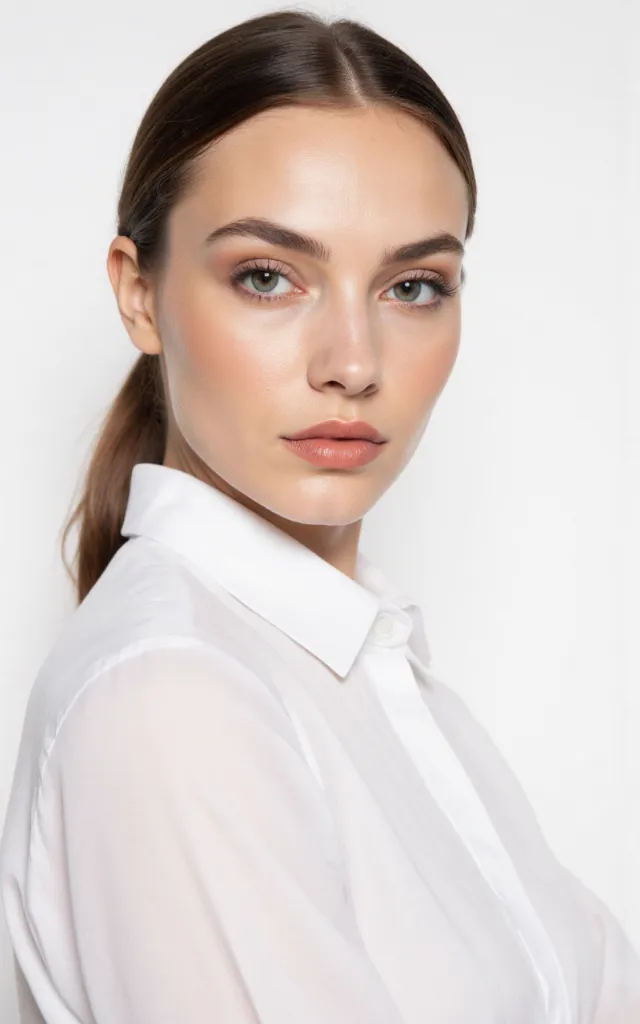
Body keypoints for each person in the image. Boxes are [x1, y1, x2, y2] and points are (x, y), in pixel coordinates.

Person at [1, 8, 639, 1023]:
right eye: (268, 276)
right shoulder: (173, 697)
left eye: (412, 285)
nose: (352, 361)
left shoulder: (375, 672)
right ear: (139, 295)